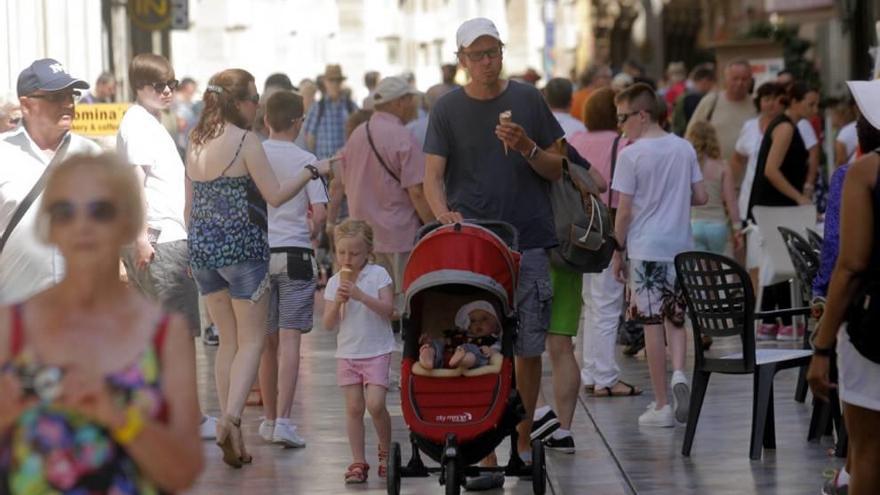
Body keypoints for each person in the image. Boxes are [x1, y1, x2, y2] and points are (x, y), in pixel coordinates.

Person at [0, 153, 204, 493]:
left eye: (101, 210)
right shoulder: (10, 327)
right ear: (49, 226)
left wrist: (118, 416)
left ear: (127, 222)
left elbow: (185, 471)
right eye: (65, 212)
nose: (83, 225)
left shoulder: (165, 334)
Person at [423, 17, 567, 465]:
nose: (488, 62)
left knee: (527, 348)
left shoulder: (527, 98)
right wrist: (442, 215)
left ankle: (521, 444)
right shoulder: (447, 109)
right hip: (475, 246)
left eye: (494, 52)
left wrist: (527, 146)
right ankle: (482, 446)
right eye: (479, 55)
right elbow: (431, 176)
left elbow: (557, 167)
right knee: (478, 345)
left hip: (530, 239)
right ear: (462, 60)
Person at [185, 68, 331, 468]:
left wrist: (192, 251)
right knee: (251, 341)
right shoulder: (247, 141)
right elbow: (276, 196)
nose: (257, 106)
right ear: (238, 102)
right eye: (252, 99)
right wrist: (313, 170)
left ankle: (233, 430)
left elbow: (189, 207)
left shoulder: (195, 141)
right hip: (245, 250)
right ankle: (230, 421)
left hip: (204, 250)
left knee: (226, 342)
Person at [116, 53, 218, 440]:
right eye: (157, 85)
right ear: (139, 86)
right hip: (161, 238)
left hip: (160, 236)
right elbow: (134, 183)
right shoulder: (139, 124)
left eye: (170, 84)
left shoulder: (147, 122)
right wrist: (142, 236)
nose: (165, 91)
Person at [610, 83, 708, 428]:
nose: (620, 125)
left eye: (623, 117)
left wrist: (617, 251)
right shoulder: (683, 148)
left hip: (646, 247)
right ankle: (680, 372)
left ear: (641, 114)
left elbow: (623, 211)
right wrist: (674, 196)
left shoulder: (631, 155)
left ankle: (663, 403)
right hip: (680, 246)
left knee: (652, 326)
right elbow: (701, 196)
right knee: (676, 319)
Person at [808, 80, 880, 495]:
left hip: (873, 330)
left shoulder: (864, 172)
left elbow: (849, 264)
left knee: (868, 452)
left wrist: (822, 345)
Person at [254, 90, 328, 449]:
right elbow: (321, 216)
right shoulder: (308, 159)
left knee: (266, 343)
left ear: (266, 119)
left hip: (259, 256)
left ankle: (268, 420)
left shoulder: (254, 155)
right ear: (299, 122)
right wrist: (312, 230)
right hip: (296, 254)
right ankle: (284, 419)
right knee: (290, 341)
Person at [0, 58, 101, 305]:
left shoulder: (92, 155)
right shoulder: (3, 155)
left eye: (71, 95)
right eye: (56, 97)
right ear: (26, 105)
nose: (68, 103)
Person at [335, 76, 434, 317]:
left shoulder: (358, 133)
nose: (415, 105)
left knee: (371, 300)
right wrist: (433, 226)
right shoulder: (402, 136)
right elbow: (417, 192)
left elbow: (343, 177)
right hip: (398, 234)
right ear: (399, 102)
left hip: (363, 237)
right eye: (411, 99)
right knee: (402, 301)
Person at [569, 87, 641, 401]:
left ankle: (591, 371)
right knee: (608, 305)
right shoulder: (624, 145)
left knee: (590, 303)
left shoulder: (574, 141)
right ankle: (606, 377)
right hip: (608, 229)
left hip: (578, 231)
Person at [321, 220, 394, 484]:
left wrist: (361, 296)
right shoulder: (333, 282)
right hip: (348, 352)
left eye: (354, 253)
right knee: (353, 408)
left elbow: (389, 311)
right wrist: (337, 302)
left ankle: (386, 451)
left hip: (376, 350)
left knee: (375, 405)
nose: (347, 258)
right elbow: (328, 325)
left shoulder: (379, 275)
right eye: (342, 253)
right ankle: (358, 461)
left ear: (368, 252)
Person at [747, 82, 816, 341]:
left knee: (777, 262)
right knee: (784, 261)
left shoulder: (789, 126)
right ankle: (784, 318)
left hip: (776, 205)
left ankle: (771, 319)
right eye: (810, 103)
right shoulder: (785, 127)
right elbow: (771, 170)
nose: (814, 109)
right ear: (794, 101)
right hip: (775, 206)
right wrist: (799, 197)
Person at [687, 59, 757, 187]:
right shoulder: (711, 102)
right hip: (712, 182)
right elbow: (691, 135)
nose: (740, 83)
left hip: (746, 182)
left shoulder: (756, 106)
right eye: (735, 78)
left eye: (744, 79)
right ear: (726, 79)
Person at [685, 121, 743, 253]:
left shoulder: (688, 166)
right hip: (718, 224)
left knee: (699, 271)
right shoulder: (722, 166)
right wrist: (737, 228)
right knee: (716, 269)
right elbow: (731, 201)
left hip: (694, 224)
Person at [418, 300, 502, 370]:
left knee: (479, 354)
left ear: (496, 325)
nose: (478, 323)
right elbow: (445, 341)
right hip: (446, 356)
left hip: (469, 358)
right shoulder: (461, 334)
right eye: (472, 321)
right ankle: (429, 353)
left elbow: (497, 354)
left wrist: (491, 351)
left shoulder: (492, 340)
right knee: (438, 343)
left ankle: (464, 359)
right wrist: (430, 342)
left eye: (484, 319)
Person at [304, 64, 357, 159]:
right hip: (324, 168)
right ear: (325, 82)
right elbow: (310, 139)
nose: (335, 84)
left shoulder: (351, 106)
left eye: (338, 80)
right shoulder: (317, 108)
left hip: (346, 165)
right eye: (331, 80)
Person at [671, 64, 716, 137]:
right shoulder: (694, 98)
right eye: (711, 82)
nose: (712, 86)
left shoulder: (685, 96)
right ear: (704, 81)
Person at [174, 77, 200, 155]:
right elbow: (180, 124)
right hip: (180, 142)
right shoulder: (177, 101)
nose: (194, 91)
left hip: (185, 141)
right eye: (193, 89)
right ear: (186, 87)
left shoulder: (188, 103)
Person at [833, 97, 859, 167]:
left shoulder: (842, 135)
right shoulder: (863, 127)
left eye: (833, 115)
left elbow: (840, 162)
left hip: (851, 173)